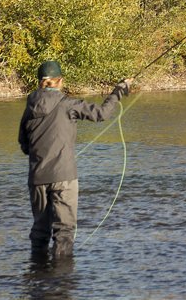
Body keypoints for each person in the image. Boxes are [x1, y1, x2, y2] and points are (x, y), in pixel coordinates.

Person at [19, 60, 129, 262]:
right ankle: (62, 278)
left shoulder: (30, 107)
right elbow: (102, 114)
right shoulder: (68, 104)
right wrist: (117, 92)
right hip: (64, 177)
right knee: (64, 230)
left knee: (40, 230)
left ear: (39, 83)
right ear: (60, 81)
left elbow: (24, 145)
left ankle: (37, 274)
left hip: (37, 178)